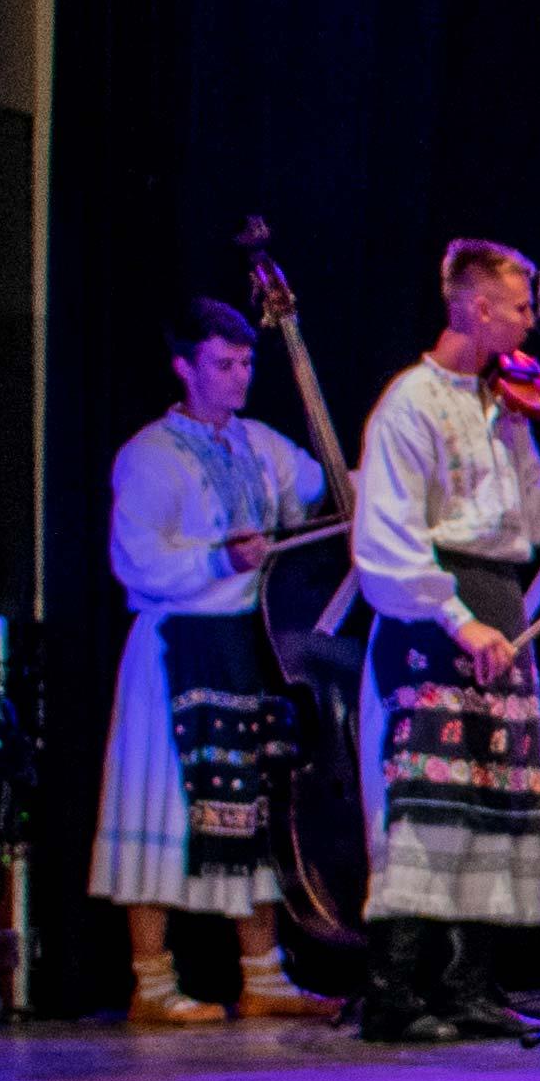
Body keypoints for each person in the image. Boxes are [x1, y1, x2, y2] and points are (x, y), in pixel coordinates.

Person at [345, 240, 540, 1040]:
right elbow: (386, 540)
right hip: (434, 611)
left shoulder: (506, 409)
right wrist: (458, 618)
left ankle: (468, 986)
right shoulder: (409, 403)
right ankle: (393, 991)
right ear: (479, 307)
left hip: (501, 596)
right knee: (426, 799)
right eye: (522, 309)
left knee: (495, 797)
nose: (532, 324)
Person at [91, 297, 330, 1026]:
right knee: (161, 805)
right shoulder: (150, 455)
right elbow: (135, 561)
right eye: (223, 364)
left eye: (246, 362)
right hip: (177, 646)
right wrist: (220, 559)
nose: (239, 376)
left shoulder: (260, 444)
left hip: (244, 644)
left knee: (252, 806)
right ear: (184, 368)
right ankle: (151, 981)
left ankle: (265, 975)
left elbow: (319, 485)